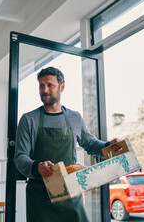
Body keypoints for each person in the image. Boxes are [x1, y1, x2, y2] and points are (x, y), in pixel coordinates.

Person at [14, 66, 120, 222]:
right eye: (41, 85)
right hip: (40, 197)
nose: (45, 90)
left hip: (70, 191)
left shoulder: (75, 118)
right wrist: (37, 167)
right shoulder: (29, 119)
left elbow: (90, 144)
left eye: (50, 85)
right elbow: (20, 157)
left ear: (62, 86)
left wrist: (108, 146)